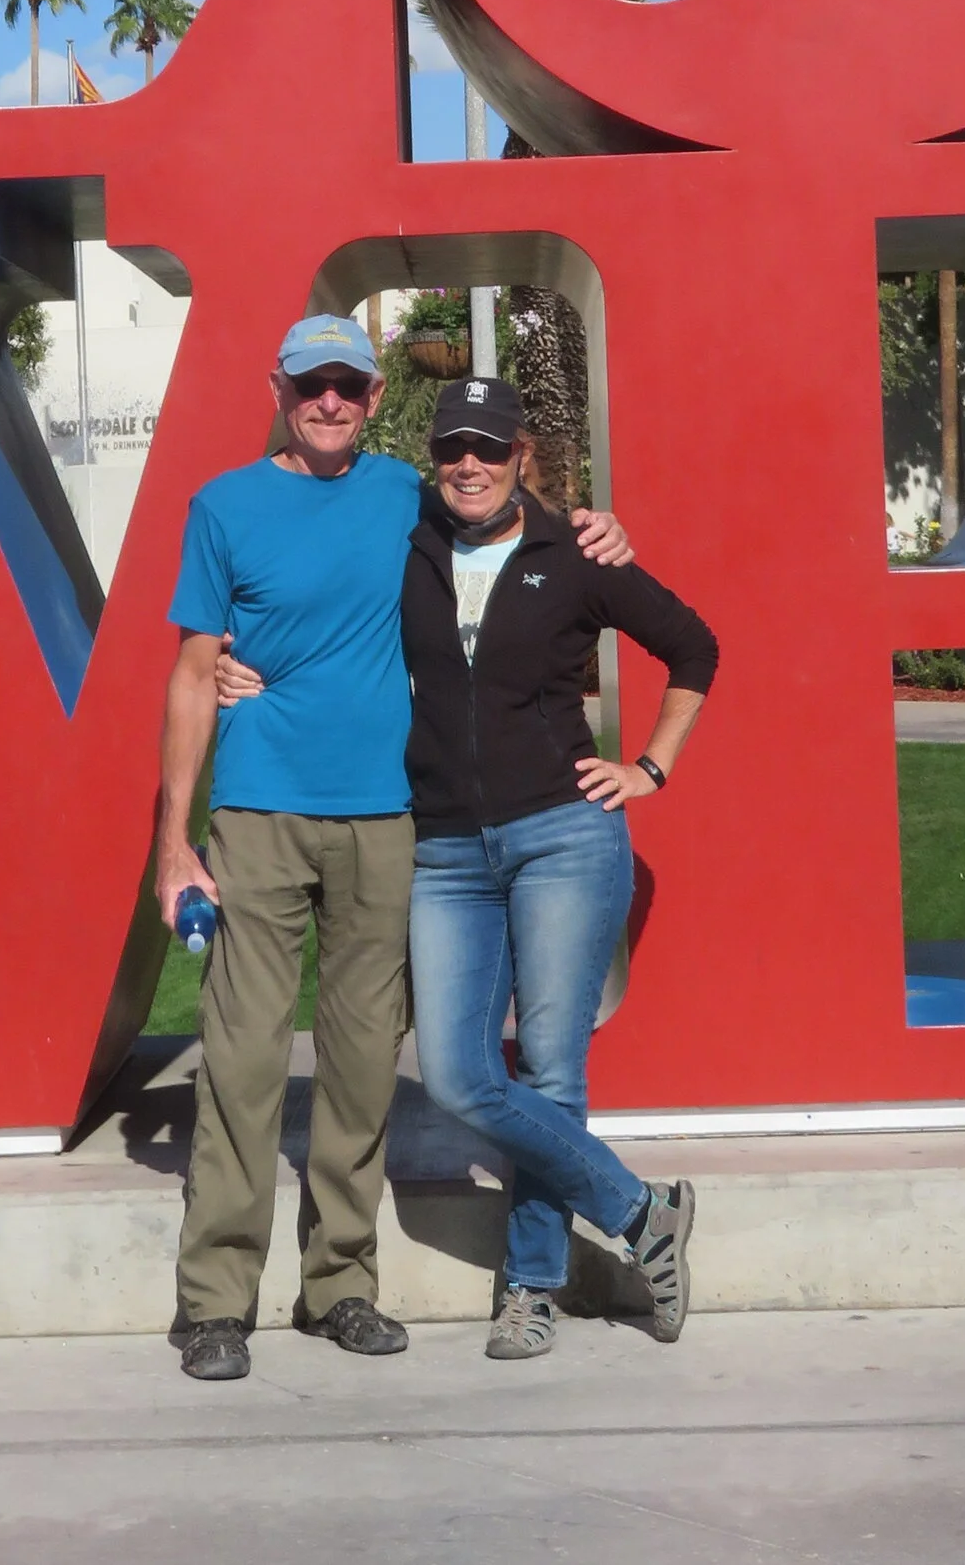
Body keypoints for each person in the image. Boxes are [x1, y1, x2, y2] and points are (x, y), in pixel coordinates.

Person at [155, 315, 633, 1383]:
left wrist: (600, 532)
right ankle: (215, 1302)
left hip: (387, 820)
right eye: (310, 383)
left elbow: (512, 521)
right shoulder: (223, 505)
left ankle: (339, 1286)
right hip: (261, 812)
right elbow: (193, 671)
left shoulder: (406, 499)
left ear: (375, 400)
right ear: (278, 387)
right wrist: (173, 845)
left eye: (348, 385)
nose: (329, 400)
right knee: (239, 1059)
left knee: (367, 1062)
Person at [224, 373, 716, 1358]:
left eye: (490, 448)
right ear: (434, 455)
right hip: (444, 845)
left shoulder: (573, 550)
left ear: (520, 454)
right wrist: (238, 657)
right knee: (454, 1074)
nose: (470, 465)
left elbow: (693, 646)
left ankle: (529, 1288)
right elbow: (312, 598)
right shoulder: (402, 541)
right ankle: (640, 1210)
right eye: (454, 447)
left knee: (548, 1063)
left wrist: (649, 765)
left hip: (564, 836)